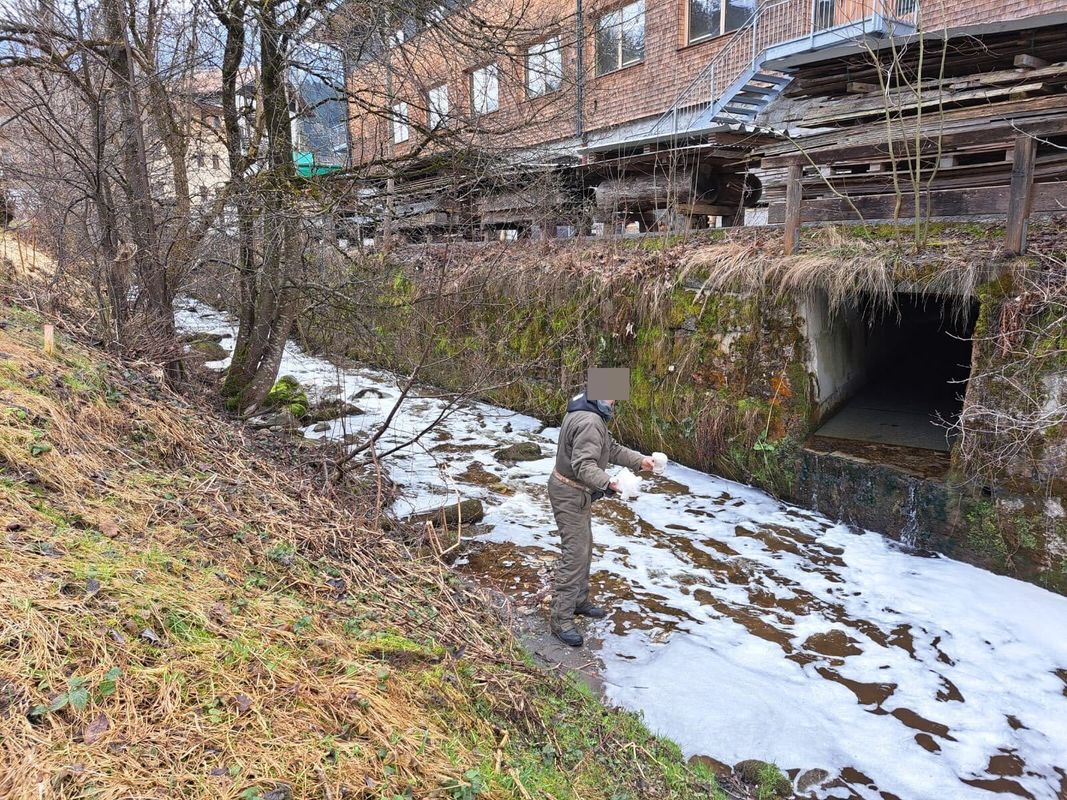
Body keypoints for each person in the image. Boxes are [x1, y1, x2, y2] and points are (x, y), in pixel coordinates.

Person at [548, 391, 654, 647]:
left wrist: (640, 461)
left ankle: (578, 601)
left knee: (584, 548)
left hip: (573, 492)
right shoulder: (590, 422)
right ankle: (560, 619)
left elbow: (611, 448)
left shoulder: (585, 412)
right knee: (574, 554)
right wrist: (611, 482)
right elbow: (584, 465)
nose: (615, 405)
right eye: (613, 400)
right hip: (570, 494)